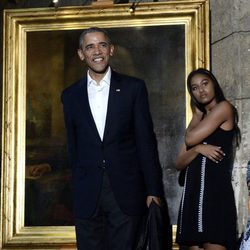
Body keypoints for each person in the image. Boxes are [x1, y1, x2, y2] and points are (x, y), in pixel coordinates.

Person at [61, 27, 164, 250]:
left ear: (111, 50)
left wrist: (153, 190)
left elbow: (146, 142)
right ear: (81, 54)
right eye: (90, 46)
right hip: (87, 193)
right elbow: (73, 146)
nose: (97, 51)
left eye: (102, 45)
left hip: (126, 191)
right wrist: (76, 188)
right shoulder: (70, 95)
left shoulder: (133, 88)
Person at [175, 68, 241, 250]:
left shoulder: (224, 108)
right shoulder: (199, 118)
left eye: (205, 83)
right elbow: (179, 162)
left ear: (214, 84)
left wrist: (194, 143)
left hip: (215, 194)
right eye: (194, 88)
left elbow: (189, 138)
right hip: (193, 194)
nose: (201, 90)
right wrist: (198, 149)